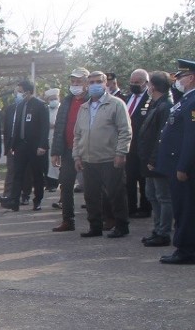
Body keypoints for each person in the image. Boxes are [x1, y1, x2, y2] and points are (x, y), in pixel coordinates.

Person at [73, 71, 132, 238]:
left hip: (110, 158)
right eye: (91, 82)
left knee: (115, 193)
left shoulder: (116, 104)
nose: (94, 85)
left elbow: (125, 131)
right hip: (88, 159)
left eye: (98, 81)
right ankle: (95, 226)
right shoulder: (84, 107)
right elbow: (77, 134)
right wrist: (77, 156)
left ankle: (121, 225)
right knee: (91, 195)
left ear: (106, 83)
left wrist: (121, 152)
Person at [157, 59, 195, 264]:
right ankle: (185, 246)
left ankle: (187, 250)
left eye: (180, 77)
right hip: (176, 163)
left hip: (184, 167)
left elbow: (192, 137)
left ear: (191, 78)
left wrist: (183, 166)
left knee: (186, 208)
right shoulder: (186, 99)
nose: (177, 81)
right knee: (182, 207)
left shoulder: (193, 101)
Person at [49, 69, 90, 232]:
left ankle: (98, 220)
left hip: (87, 150)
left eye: (78, 82)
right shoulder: (66, 101)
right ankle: (68, 220)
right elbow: (59, 127)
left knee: (91, 186)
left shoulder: (91, 101)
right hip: (67, 150)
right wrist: (55, 152)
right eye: (73, 82)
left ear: (86, 83)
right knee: (65, 185)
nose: (75, 85)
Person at [2, 79, 51, 212]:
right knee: (18, 173)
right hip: (20, 146)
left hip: (35, 147)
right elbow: (16, 127)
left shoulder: (40, 106)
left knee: (37, 175)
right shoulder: (20, 106)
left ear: (28, 92)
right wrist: (13, 145)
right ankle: (14, 201)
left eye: (20, 92)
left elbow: (44, 128)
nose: (18, 94)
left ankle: (37, 200)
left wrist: (42, 145)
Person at [138, 70, 174, 247]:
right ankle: (157, 228)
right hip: (150, 160)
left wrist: (153, 159)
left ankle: (164, 232)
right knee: (151, 194)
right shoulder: (156, 104)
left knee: (163, 197)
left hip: (158, 161)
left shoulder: (165, 106)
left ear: (153, 86)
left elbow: (162, 136)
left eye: (149, 84)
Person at [123, 68, 152, 218]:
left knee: (143, 179)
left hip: (142, 146)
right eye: (132, 82)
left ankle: (145, 208)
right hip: (128, 146)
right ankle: (131, 207)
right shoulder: (128, 98)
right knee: (130, 178)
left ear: (146, 83)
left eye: (137, 82)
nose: (134, 85)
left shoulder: (151, 99)